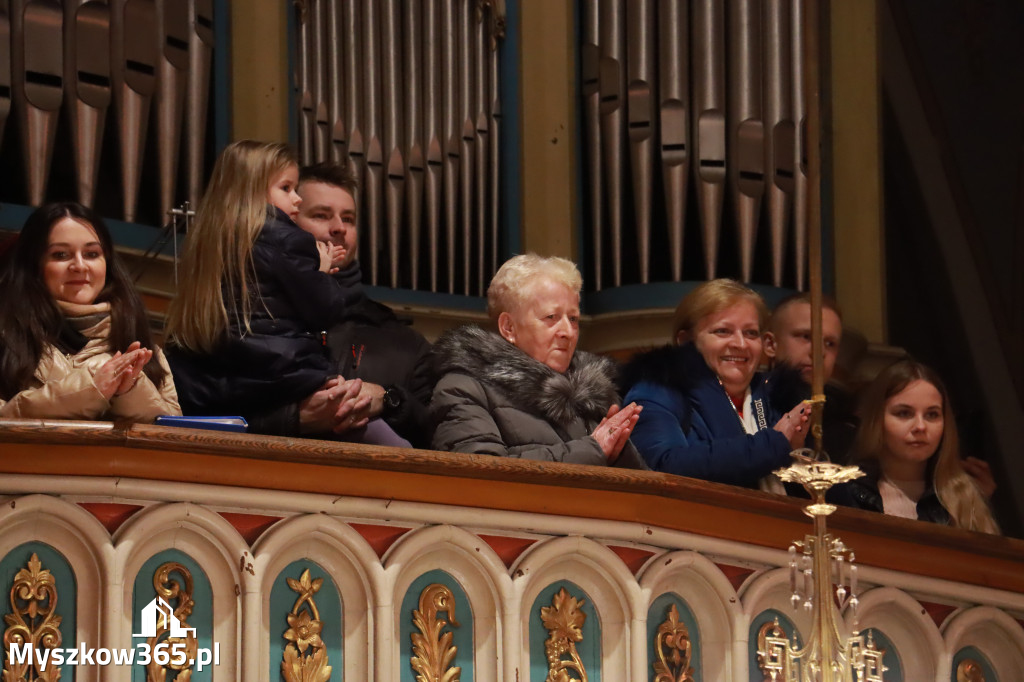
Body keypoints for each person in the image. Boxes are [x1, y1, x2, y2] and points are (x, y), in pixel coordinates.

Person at [164, 140, 405, 445]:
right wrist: (321, 272)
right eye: (287, 188)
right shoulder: (288, 240)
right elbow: (326, 309)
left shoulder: (208, 248)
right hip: (287, 376)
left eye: (347, 218)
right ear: (253, 192)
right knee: (395, 447)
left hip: (243, 391)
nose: (297, 199)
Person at [431, 254, 646, 467]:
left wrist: (620, 452)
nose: (568, 332)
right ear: (509, 327)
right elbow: (482, 475)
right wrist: (593, 450)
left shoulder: (591, 394)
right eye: (551, 317)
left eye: (573, 319)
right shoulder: (462, 389)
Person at [293, 162, 433, 447]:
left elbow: (440, 433)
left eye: (349, 218)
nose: (339, 228)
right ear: (288, 221)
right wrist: (295, 417)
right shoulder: (257, 317)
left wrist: (391, 400)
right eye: (321, 215)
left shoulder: (405, 343)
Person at [0, 202, 180, 420]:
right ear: (34, 265)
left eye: (91, 254)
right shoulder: (6, 336)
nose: (80, 265)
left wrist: (129, 389)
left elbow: (172, 429)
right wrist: (88, 390)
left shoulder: (144, 344)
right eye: (60, 255)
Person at [622, 279, 808, 489]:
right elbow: (663, 467)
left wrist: (799, 460)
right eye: (722, 331)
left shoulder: (776, 396)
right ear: (686, 340)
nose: (740, 344)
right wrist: (773, 445)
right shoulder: (658, 389)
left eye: (751, 333)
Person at [844, 360, 999, 533]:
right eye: (904, 413)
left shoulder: (966, 499)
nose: (920, 426)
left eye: (932, 415)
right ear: (877, 419)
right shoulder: (847, 492)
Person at [764, 293, 858, 463]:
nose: (819, 352)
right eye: (806, 337)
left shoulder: (846, 430)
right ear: (771, 344)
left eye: (830, 343)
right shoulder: (749, 405)